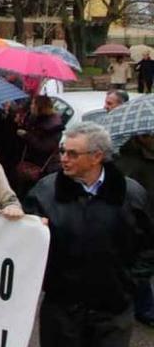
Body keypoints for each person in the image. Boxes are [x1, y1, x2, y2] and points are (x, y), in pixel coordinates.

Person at [24, 122, 154, 347]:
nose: (64, 158)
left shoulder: (130, 194)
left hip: (112, 311)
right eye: (63, 151)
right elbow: (26, 244)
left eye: (73, 154)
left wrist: (129, 284)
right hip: (62, 311)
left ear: (96, 157)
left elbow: (148, 246)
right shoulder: (45, 192)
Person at [114, 133, 154, 327]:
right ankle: (144, 308)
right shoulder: (127, 160)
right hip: (138, 221)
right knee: (139, 267)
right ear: (142, 137)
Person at [15, 95, 64, 198]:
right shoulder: (35, 118)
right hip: (32, 163)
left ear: (40, 106)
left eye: (33, 103)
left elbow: (44, 147)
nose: (31, 106)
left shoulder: (53, 126)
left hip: (43, 167)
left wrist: (26, 135)